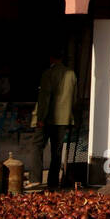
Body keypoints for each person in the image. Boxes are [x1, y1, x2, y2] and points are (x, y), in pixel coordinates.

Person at [33, 51, 77, 190]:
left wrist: (40, 118)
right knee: (56, 152)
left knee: (37, 145)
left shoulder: (48, 73)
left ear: (51, 58)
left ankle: (35, 178)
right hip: (64, 119)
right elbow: (74, 98)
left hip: (48, 118)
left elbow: (45, 98)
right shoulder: (71, 74)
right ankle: (53, 182)